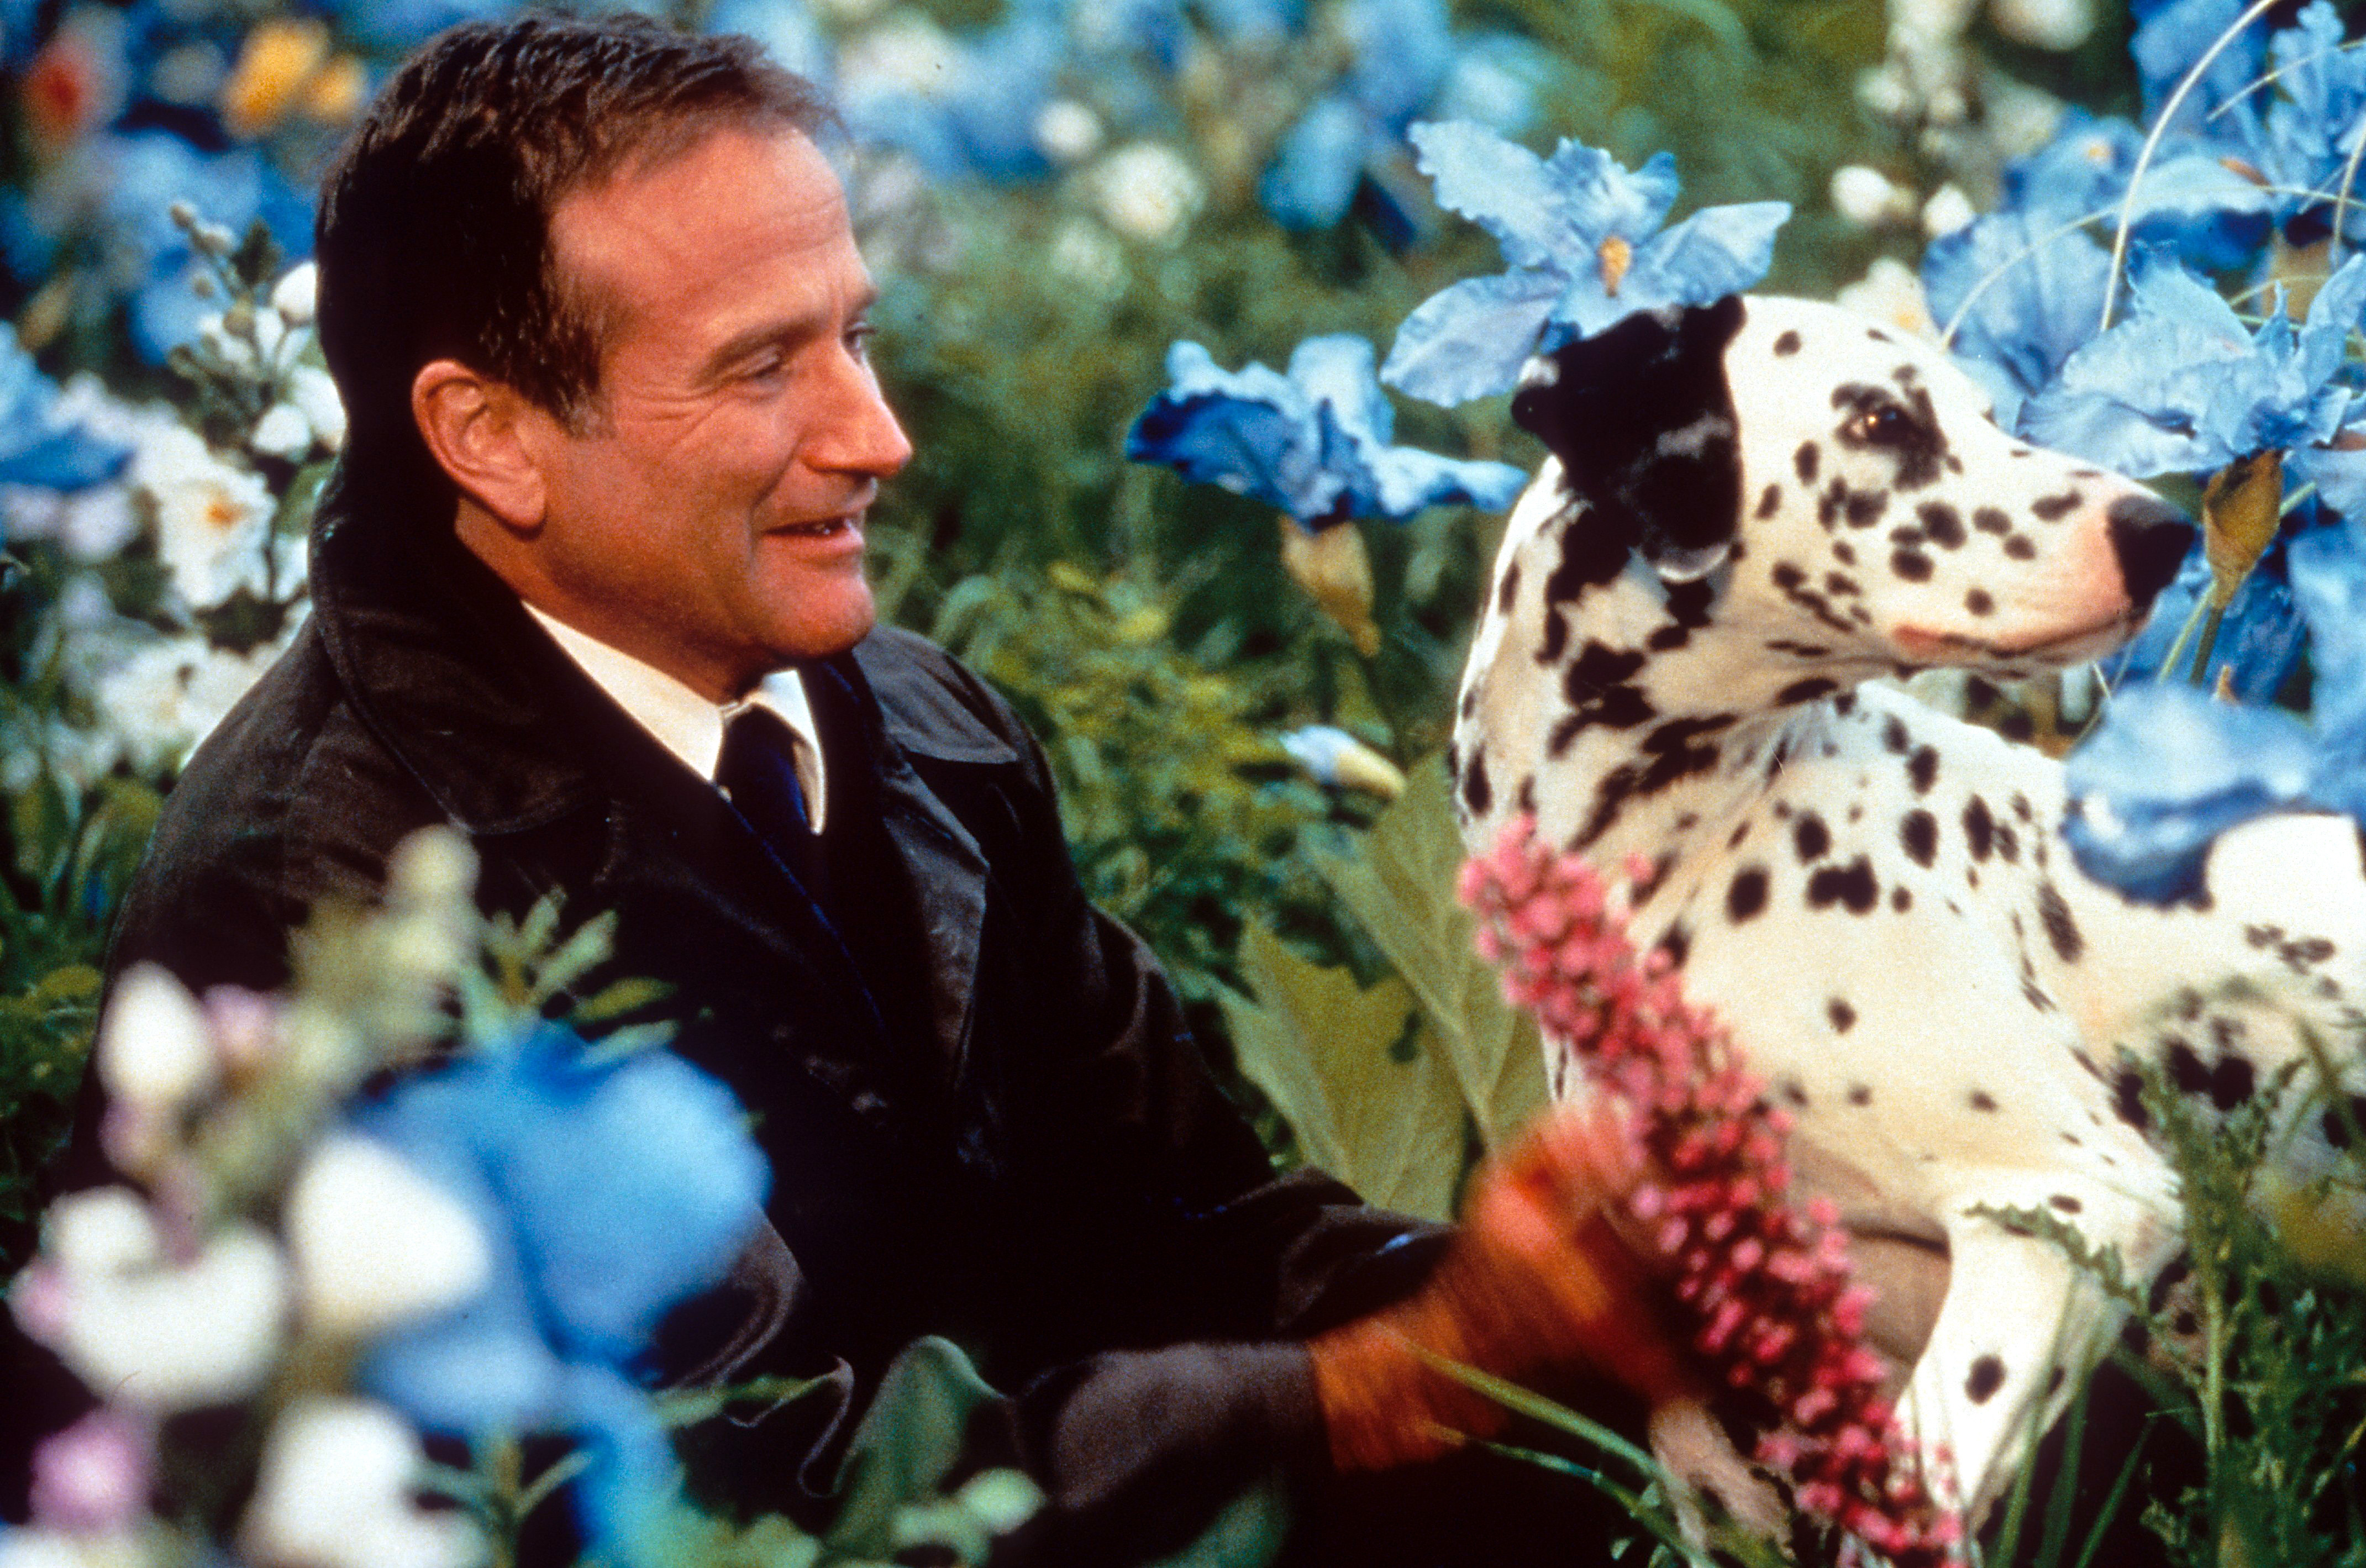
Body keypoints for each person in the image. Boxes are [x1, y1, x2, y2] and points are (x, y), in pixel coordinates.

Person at [14, 13, 1718, 1564]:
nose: (879, 431)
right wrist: (1401, 1383)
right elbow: (758, 1488)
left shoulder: (911, 724)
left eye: (856, 335)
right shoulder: (325, 896)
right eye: (765, 369)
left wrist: (1574, 1307)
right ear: (491, 435)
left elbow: (1189, 1222)